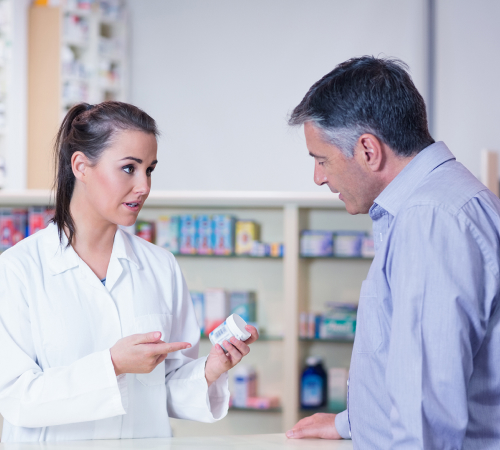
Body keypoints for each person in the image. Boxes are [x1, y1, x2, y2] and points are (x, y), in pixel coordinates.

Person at [0, 102, 258, 442]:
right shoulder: (18, 270)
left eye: (149, 170)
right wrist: (112, 365)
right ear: (81, 166)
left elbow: (163, 387)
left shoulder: (160, 266)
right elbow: (17, 398)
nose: (144, 186)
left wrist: (208, 372)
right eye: (129, 168)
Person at [285, 56, 500, 449]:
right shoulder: (443, 200)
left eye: (322, 159)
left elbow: (425, 416)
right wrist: (357, 421)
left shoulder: (430, 219)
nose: (318, 177)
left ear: (368, 150)